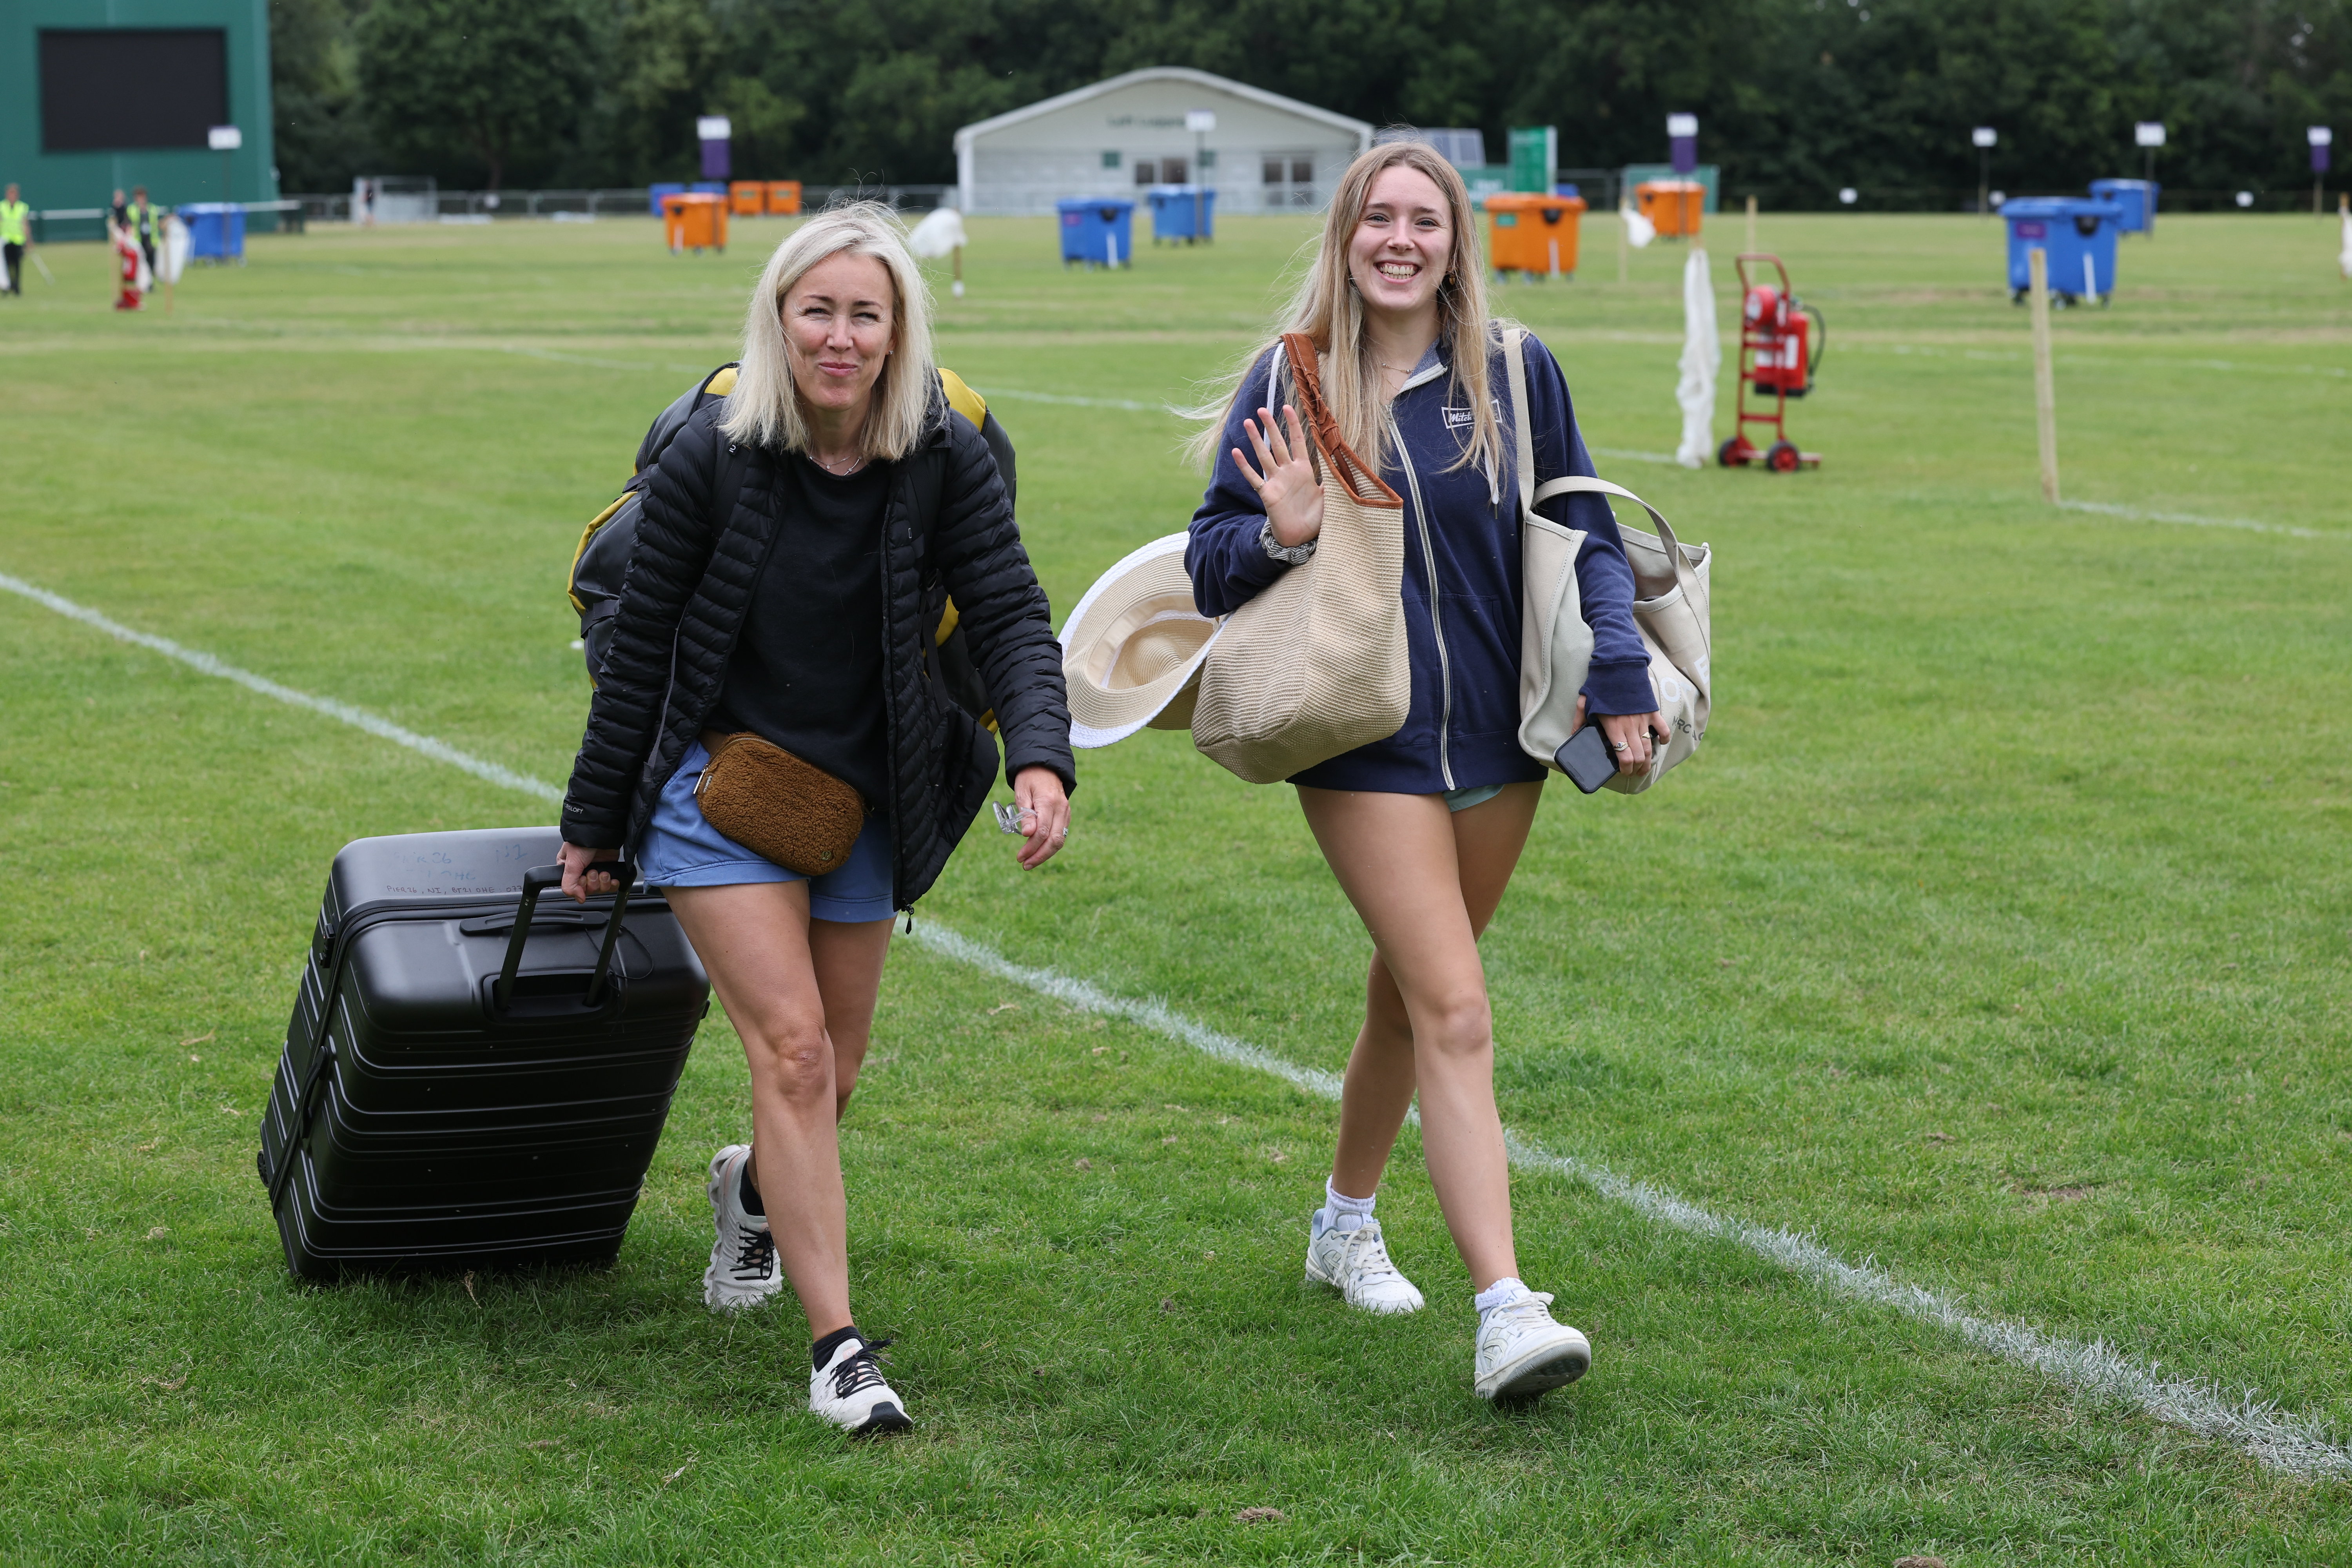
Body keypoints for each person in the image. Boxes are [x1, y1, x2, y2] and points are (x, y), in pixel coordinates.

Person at [557, 203, 1074, 1435]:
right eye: (817, 311)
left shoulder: (942, 453)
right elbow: (637, 653)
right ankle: (839, 1350)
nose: (839, 337)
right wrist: (594, 818)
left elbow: (1007, 608)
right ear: (779, 321)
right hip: (715, 786)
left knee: (831, 1070)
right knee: (788, 1052)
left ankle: (749, 1189)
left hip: (863, 797)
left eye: (865, 313)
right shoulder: (712, 452)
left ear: (898, 332)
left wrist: (1040, 757)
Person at [1185, 141, 1666, 1402]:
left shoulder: (1513, 371)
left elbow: (1583, 531)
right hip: (1360, 742)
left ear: (1456, 242)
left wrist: (1614, 672)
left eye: (1424, 220)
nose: (1399, 239)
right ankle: (1505, 1307)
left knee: (1404, 1000)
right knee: (1454, 1006)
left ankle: (1342, 1220)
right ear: (1343, 234)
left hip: (1500, 744)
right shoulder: (1289, 377)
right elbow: (1204, 562)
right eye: (1376, 218)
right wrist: (1276, 531)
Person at [128, 186, 159, 284]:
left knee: (152, 263)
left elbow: (156, 224)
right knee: (140, 263)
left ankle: (150, 283)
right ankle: (142, 283)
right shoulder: (132, 209)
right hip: (138, 240)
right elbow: (129, 223)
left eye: (143, 197)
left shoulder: (153, 209)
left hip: (151, 240)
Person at [1, 185, 28, 296]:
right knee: (6, 265)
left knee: (17, 265)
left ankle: (16, 287)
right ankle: (7, 286)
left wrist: (28, 240)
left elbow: (25, 224)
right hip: (5, 240)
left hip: (18, 240)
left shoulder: (22, 207)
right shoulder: (2, 206)